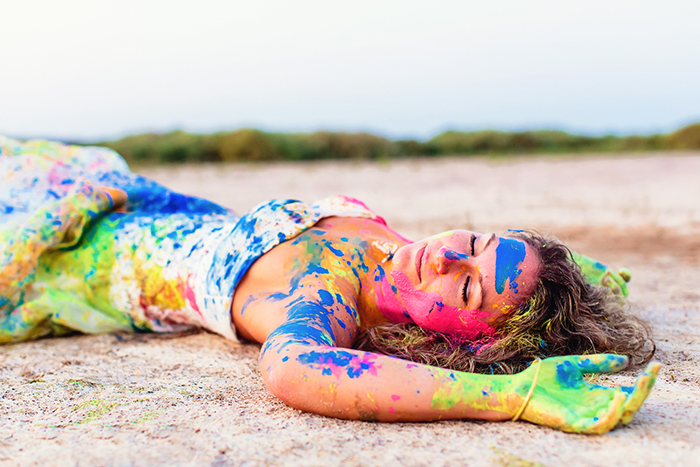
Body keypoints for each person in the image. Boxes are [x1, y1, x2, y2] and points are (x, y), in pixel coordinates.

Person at [0, 136, 659, 434]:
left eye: (466, 292)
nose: (446, 260)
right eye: (476, 242)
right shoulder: (408, 253)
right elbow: (526, 274)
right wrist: (587, 281)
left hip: (60, 257)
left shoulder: (328, 300)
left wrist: (509, 395)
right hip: (136, 201)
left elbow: (292, 371)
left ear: (465, 338)